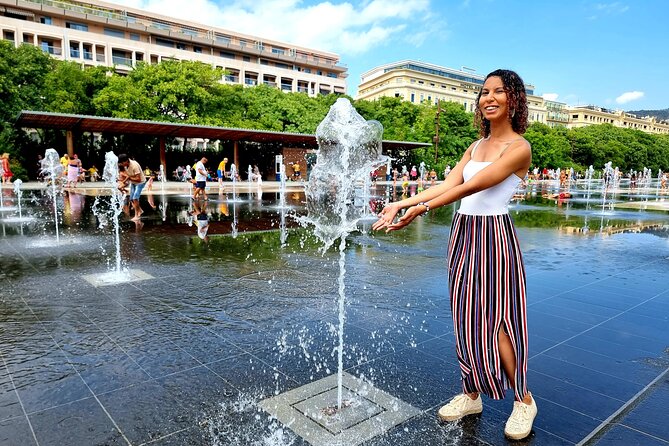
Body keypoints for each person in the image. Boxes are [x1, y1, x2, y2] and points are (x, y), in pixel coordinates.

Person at [373, 69, 537, 441]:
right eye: (484, 92)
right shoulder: (475, 146)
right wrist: (406, 202)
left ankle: (523, 400)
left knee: (498, 322)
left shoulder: (519, 148)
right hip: (463, 232)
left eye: (499, 91)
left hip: (495, 237)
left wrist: (418, 208)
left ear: (514, 99)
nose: (489, 98)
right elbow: (449, 184)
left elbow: (474, 185)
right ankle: (471, 394)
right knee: (465, 317)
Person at [117, 154, 146, 221]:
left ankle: (137, 216)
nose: (121, 164)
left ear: (126, 161)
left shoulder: (134, 165)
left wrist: (129, 178)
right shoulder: (125, 165)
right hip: (133, 183)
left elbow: (138, 179)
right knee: (131, 199)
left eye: (122, 163)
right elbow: (128, 177)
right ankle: (140, 210)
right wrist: (124, 182)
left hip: (140, 182)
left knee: (135, 198)